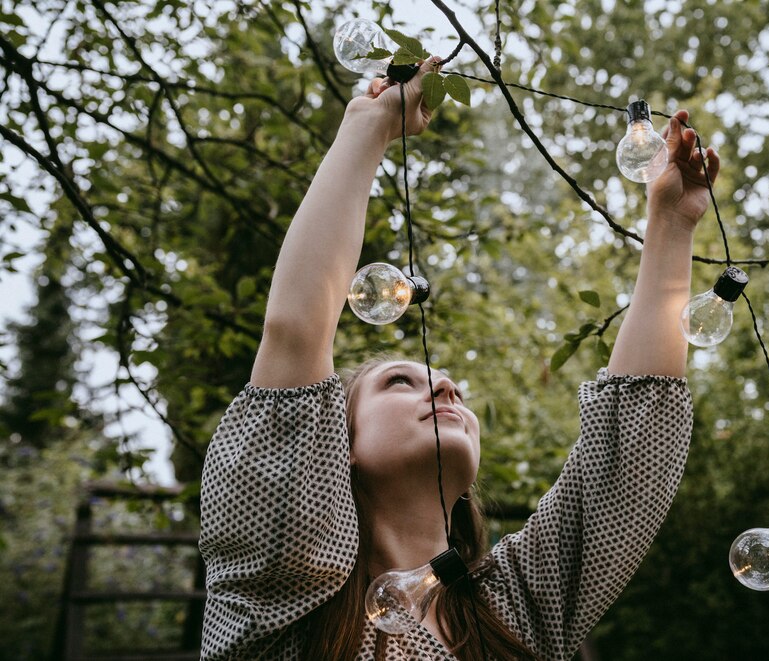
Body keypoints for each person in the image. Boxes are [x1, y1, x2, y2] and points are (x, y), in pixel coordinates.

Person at [198, 60, 720, 660]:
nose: (447, 386)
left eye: (449, 387)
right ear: (324, 442)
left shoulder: (516, 607)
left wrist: (673, 222)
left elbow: (633, 450)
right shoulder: (282, 590)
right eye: (399, 382)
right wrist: (369, 125)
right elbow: (295, 331)